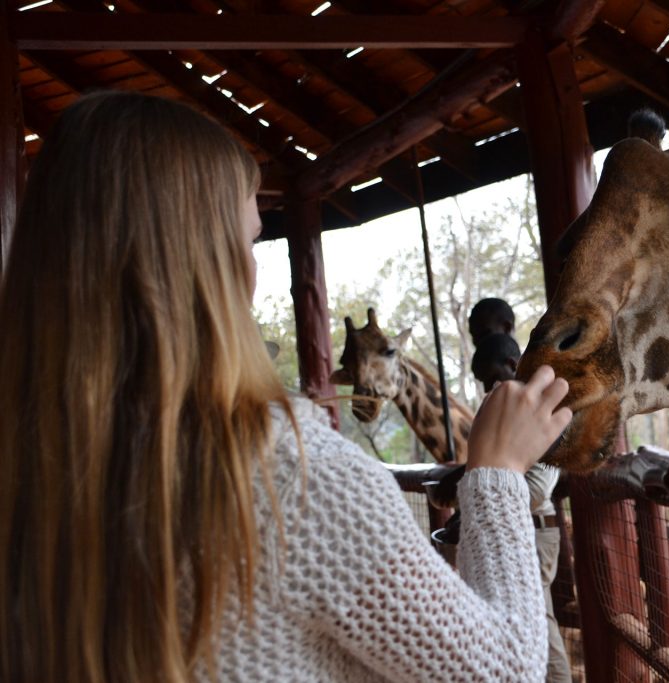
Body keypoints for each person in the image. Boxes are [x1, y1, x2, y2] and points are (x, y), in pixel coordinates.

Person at [0, 91, 572, 683]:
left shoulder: (30, 463)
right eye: (248, 242)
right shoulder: (290, 478)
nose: (253, 267)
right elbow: (503, 671)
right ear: (205, 261)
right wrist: (498, 475)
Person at [469, 305, 572, 683]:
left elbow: (534, 490)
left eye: (492, 378)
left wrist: (483, 492)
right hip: (517, 529)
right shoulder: (508, 410)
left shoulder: (541, 411)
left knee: (540, 625)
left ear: (513, 364)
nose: (488, 389)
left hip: (535, 529)